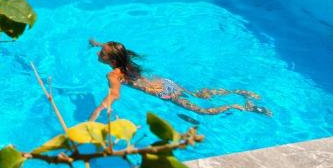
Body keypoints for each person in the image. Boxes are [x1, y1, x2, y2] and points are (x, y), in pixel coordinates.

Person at [88, 40, 271, 119]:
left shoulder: (113, 74)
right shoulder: (125, 59)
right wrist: (96, 43)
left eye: (101, 53)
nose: (98, 53)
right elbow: (113, 47)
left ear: (111, 61)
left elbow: (114, 93)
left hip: (163, 93)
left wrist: (98, 109)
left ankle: (237, 106)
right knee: (198, 94)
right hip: (167, 83)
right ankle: (238, 92)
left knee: (202, 111)